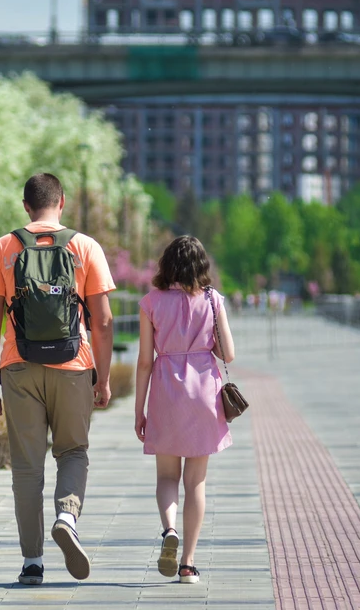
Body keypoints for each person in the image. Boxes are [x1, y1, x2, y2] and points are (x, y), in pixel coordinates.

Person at [0, 173, 116, 586]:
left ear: (25, 205)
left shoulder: (3, 248)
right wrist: (103, 378)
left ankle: (32, 562)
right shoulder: (85, 246)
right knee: (72, 452)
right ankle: (68, 517)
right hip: (74, 366)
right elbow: (104, 321)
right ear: (63, 202)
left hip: (18, 368)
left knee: (26, 468)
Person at [133, 235, 235, 585]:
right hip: (204, 392)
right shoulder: (212, 299)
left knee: (166, 477)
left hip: (165, 390)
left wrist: (138, 411)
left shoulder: (151, 302)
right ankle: (188, 564)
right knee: (196, 483)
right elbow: (229, 354)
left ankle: (169, 529)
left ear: (167, 264)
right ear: (201, 265)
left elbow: (145, 362)